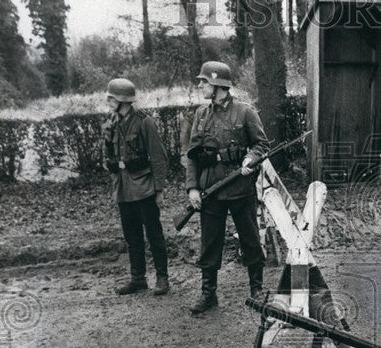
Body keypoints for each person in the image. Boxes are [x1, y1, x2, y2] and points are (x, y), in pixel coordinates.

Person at [185, 61, 269, 314]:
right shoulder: (201, 114)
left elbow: (261, 145)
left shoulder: (245, 112)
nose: (200, 85)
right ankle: (208, 293)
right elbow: (191, 155)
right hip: (210, 187)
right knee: (210, 243)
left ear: (218, 84)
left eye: (204, 82)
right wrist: (192, 188)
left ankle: (257, 290)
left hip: (240, 186)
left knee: (250, 238)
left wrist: (249, 160)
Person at [103, 78, 169, 296]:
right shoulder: (112, 122)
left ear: (122, 99)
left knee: (154, 234)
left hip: (144, 188)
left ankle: (162, 278)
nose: (108, 100)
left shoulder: (144, 122)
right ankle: (138, 278)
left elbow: (159, 158)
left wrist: (159, 190)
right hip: (123, 189)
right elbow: (109, 155)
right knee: (132, 237)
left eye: (111, 97)